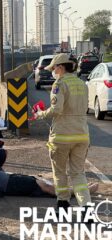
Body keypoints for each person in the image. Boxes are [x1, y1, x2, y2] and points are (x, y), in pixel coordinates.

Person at [33, 53, 92, 215]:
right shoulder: (82, 84)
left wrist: (40, 114)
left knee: (59, 172)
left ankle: (63, 204)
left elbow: (56, 109)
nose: (52, 70)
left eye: (53, 67)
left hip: (61, 136)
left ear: (60, 67)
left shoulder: (59, 84)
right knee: (78, 174)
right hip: (81, 134)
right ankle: (86, 207)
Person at [0, 163, 99, 200]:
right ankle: (77, 193)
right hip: (10, 184)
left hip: (10, 180)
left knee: (42, 182)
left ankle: (75, 190)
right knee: (44, 186)